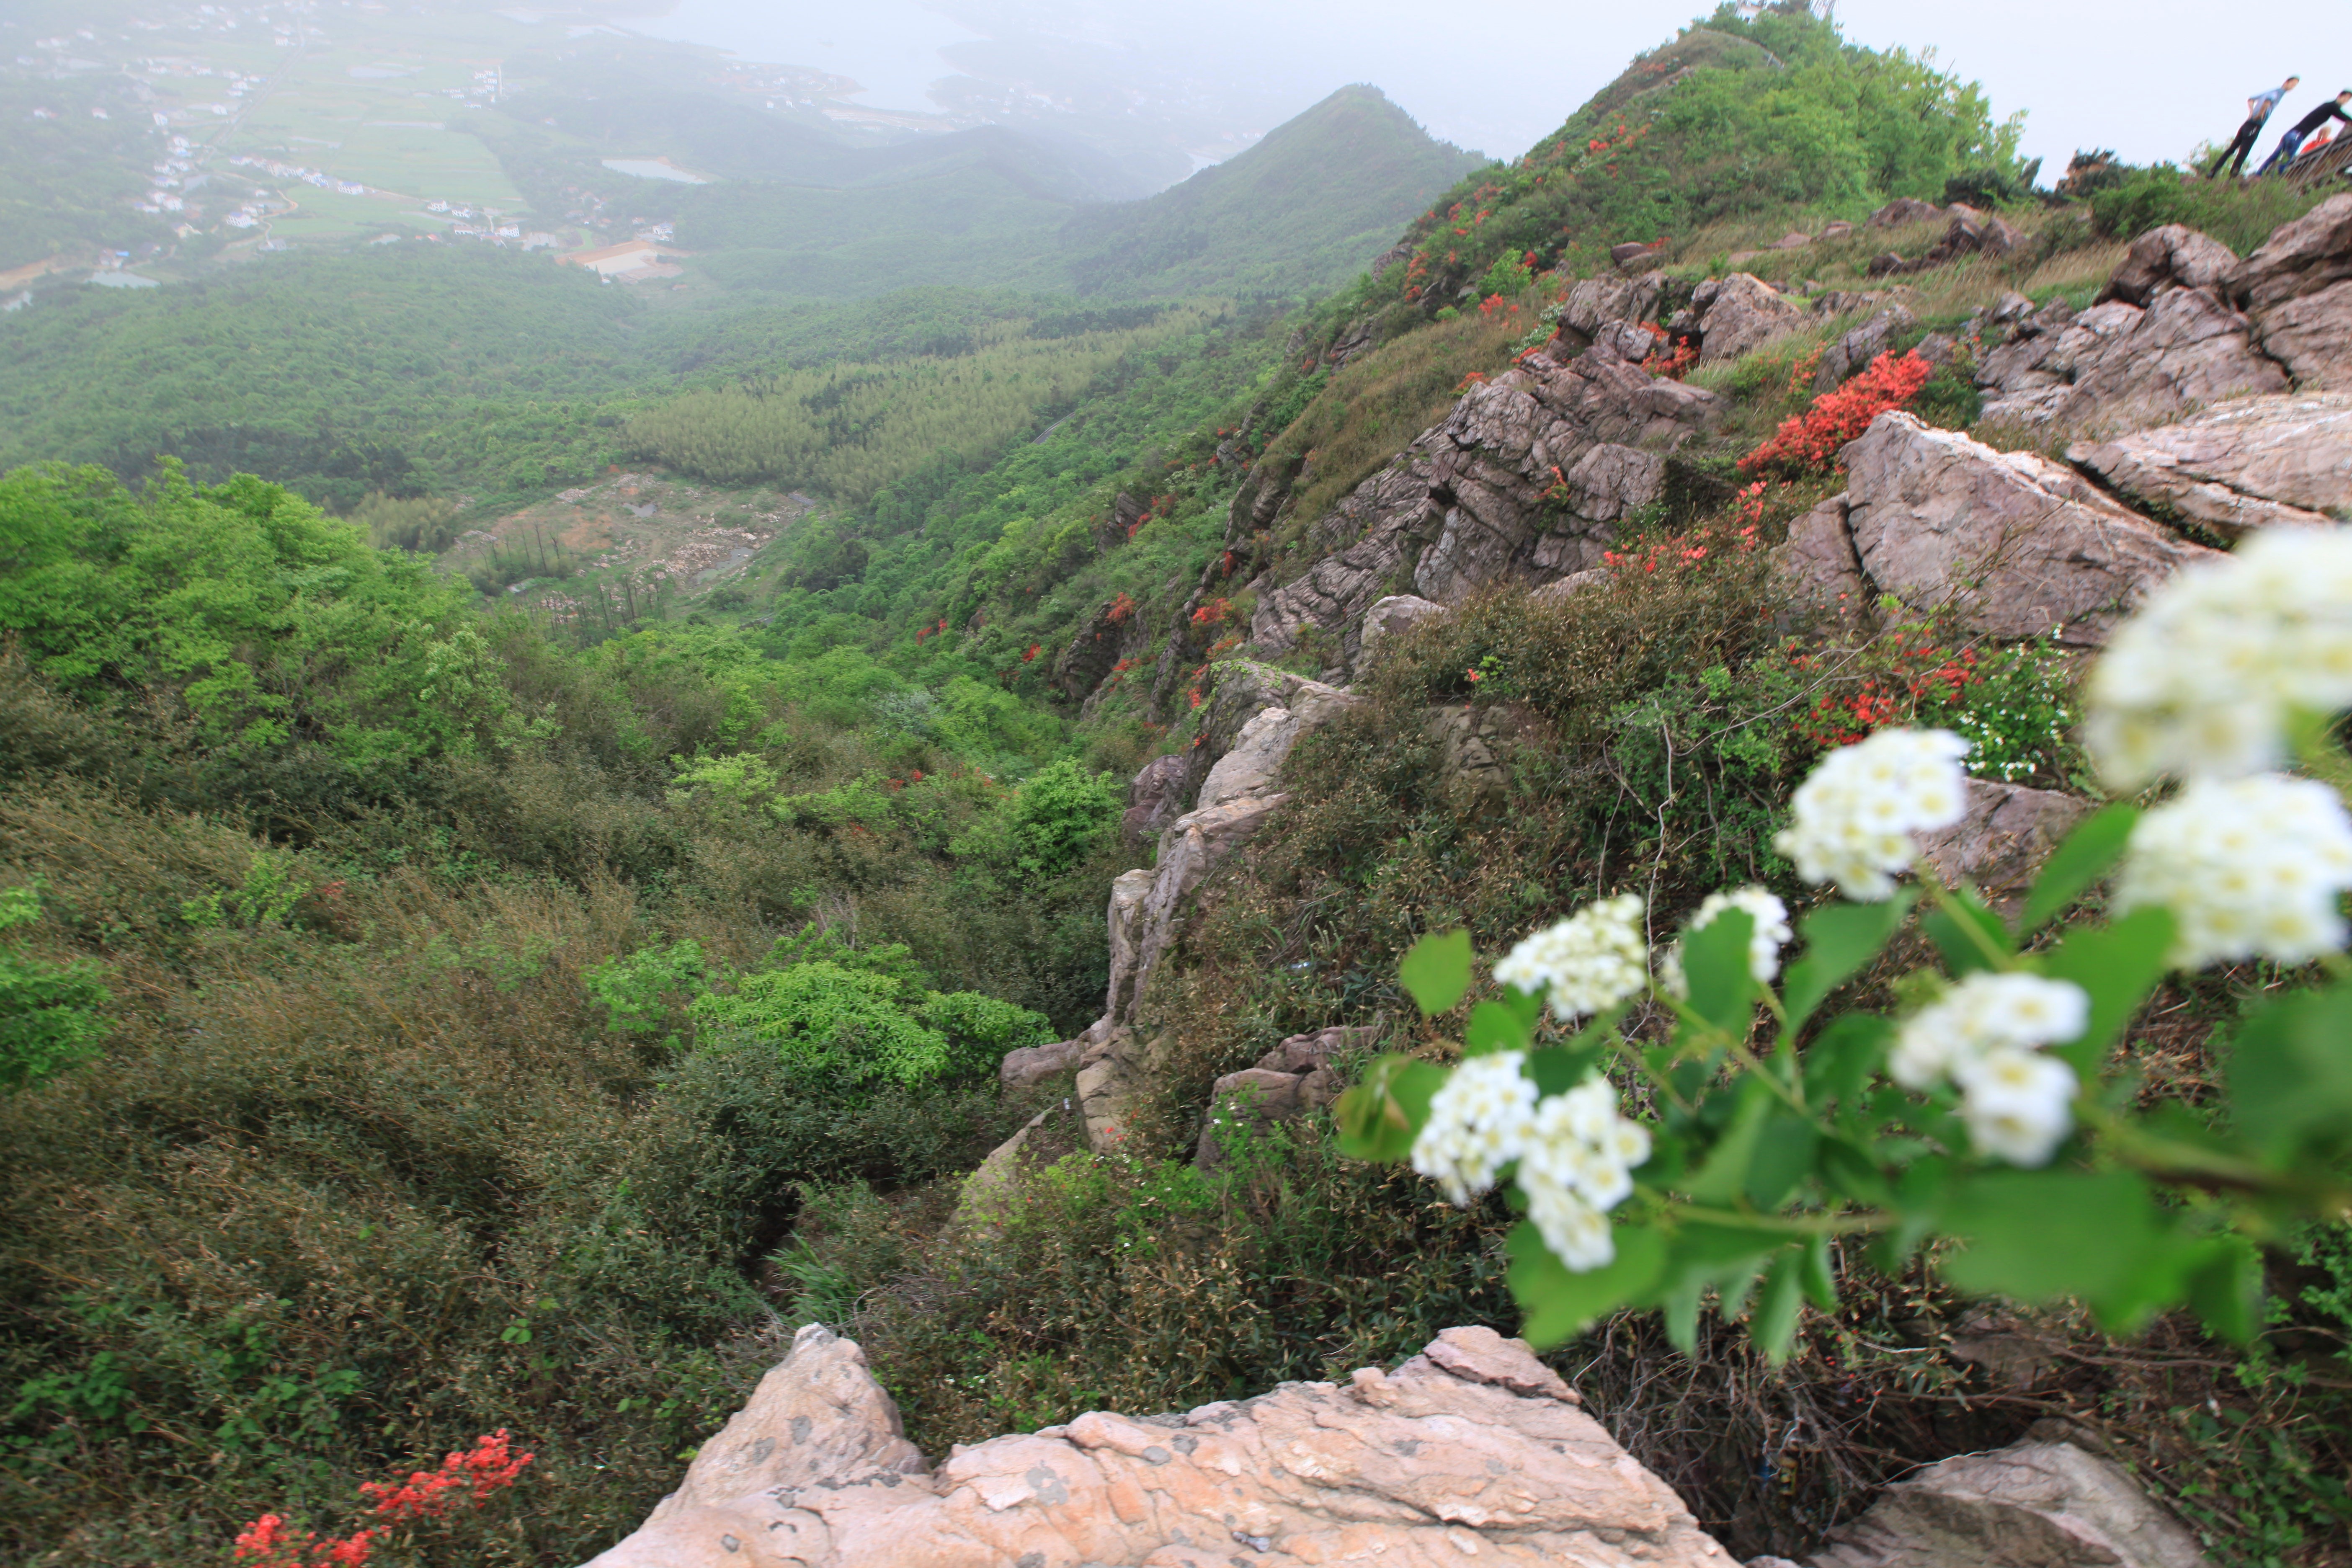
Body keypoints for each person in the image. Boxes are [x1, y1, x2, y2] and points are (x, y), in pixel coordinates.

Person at [2208, 75, 2299, 178]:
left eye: (2295, 86)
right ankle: (2232, 177)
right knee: (2243, 153)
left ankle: (2213, 172)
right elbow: (2268, 102)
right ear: (2287, 82)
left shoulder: (2270, 91)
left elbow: (2251, 99)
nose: (2293, 87)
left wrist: (2251, 113)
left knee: (2232, 149)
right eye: (2293, 84)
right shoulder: (2278, 93)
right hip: (2255, 125)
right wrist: (2260, 115)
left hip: (2247, 124)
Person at [2259, 90, 2352, 174]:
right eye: (2345, 98)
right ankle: (2272, 180)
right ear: (2340, 96)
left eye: (2348, 100)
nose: (2346, 101)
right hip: (2297, 136)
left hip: (2291, 133)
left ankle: (2259, 175)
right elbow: (2344, 117)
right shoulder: (2333, 106)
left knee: (2275, 156)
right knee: (2285, 160)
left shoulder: (2328, 106)